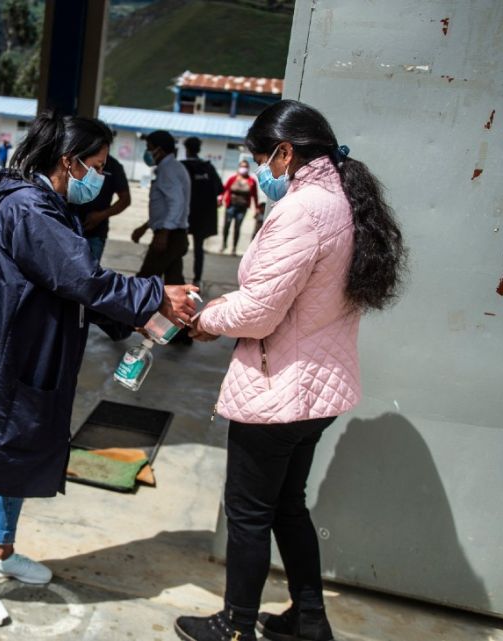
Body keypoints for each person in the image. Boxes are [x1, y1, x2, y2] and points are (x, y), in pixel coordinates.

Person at [0, 112, 198, 627]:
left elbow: (74, 291)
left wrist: (136, 323)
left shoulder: (53, 206)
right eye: (97, 165)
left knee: (18, 455)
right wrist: (156, 293)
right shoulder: (30, 210)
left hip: (33, 356)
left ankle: (2, 551)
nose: (103, 177)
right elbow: (82, 277)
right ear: (68, 162)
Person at [176, 100, 406, 641]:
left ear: (284, 152)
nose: (259, 170)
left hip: (279, 389)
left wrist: (205, 317)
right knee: (287, 506)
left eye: (260, 158)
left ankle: (235, 627)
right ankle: (308, 620)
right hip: (317, 391)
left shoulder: (303, 210)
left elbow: (260, 312)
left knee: (250, 512)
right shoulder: (344, 199)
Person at [131, 130, 191, 284]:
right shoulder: (172, 167)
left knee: (144, 282)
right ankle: (181, 308)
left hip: (170, 236)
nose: (147, 152)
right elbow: (165, 207)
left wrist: (164, 234)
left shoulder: (168, 170)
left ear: (160, 149)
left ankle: (133, 307)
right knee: (174, 283)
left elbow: (177, 203)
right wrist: (145, 227)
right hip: (174, 235)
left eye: (149, 148)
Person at [181, 137, 224, 287]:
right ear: (198, 149)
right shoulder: (208, 168)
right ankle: (197, 279)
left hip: (184, 215)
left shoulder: (182, 166)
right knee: (198, 249)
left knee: (177, 246)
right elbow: (220, 188)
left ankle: (175, 278)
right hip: (202, 217)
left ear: (186, 150)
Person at [73, 155, 131, 262]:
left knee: (88, 272)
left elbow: (125, 199)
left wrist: (100, 216)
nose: (97, 173)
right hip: (69, 228)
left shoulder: (113, 166)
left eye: (100, 168)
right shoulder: (76, 158)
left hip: (95, 233)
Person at [221, 159, 260, 255]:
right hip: (230, 206)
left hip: (242, 208)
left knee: (237, 228)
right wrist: (220, 199)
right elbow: (224, 189)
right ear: (239, 167)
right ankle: (224, 244)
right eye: (242, 166)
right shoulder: (233, 179)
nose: (244, 168)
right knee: (226, 225)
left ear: (248, 168)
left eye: (246, 167)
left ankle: (234, 248)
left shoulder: (251, 181)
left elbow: (255, 195)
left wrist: (257, 208)